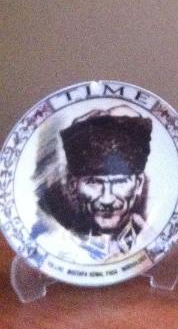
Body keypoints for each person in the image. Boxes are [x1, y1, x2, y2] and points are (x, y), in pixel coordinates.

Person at [33, 106, 152, 261]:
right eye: (94, 183)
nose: (107, 200)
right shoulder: (51, 245)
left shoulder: (151, 239)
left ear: (139, 184)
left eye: (120, 182)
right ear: (72, 185)